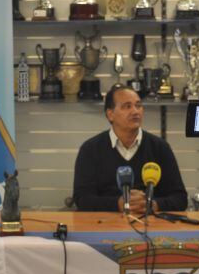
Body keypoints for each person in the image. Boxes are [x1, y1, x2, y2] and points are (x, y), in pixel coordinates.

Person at [73, 84, 188, 214]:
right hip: (105, 227)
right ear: (110, 114)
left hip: (151, 226)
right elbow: (82, 199)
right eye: (127, 106)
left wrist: (152, 205)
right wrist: (118, 204)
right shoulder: (90, 149)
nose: (135, 111)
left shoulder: (160, 148)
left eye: (138, 106)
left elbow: (180, 199)